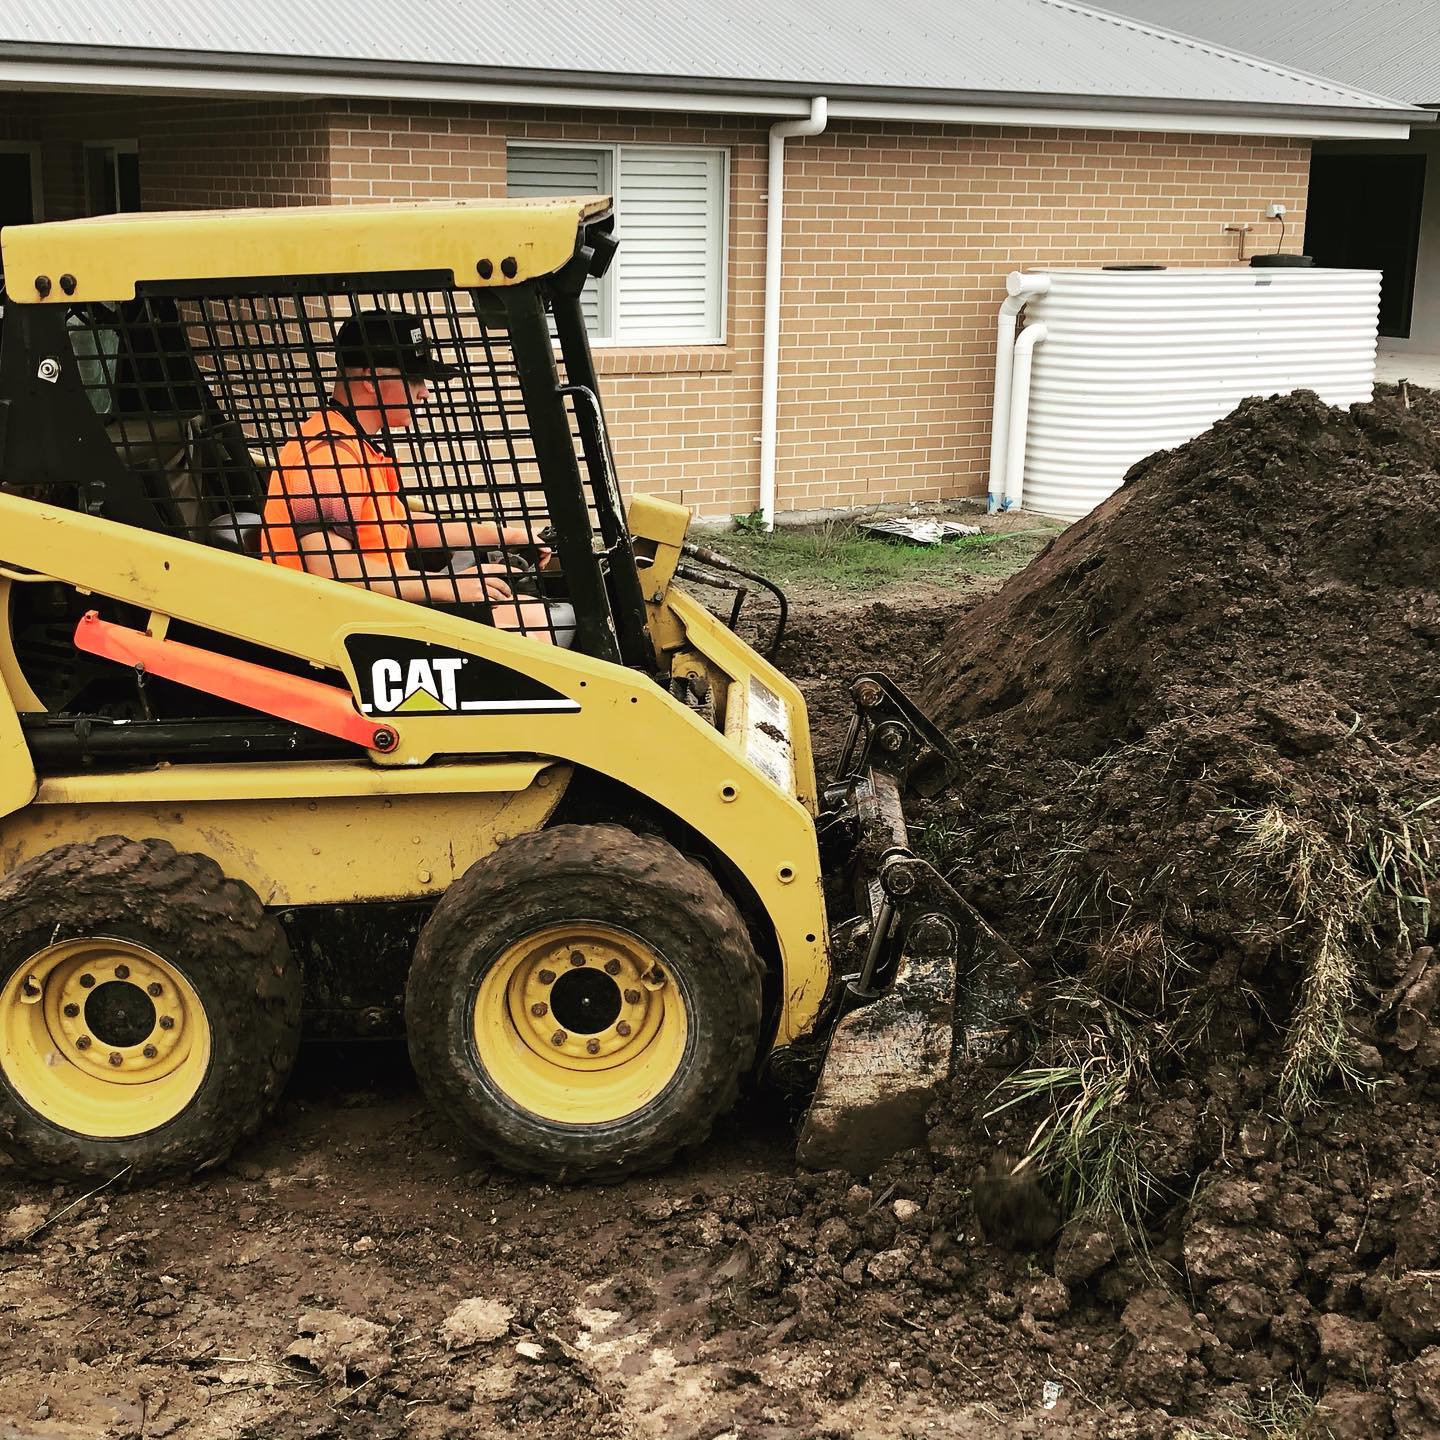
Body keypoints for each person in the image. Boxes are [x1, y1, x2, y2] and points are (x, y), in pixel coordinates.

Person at [260, 308, 565, 643]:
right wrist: (449, 586)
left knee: (520, 606)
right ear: (371, 380)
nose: (424, 392)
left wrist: (507, 536)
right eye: (413, 379)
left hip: (377, 614)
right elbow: (331, 569)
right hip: (344, 632)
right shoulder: (328, 454)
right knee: (530, 618)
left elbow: (401, 528)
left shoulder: (355, 446)